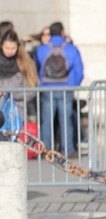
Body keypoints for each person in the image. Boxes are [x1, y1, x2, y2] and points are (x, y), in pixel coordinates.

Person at [35, 21, 84, 157]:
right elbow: (79, 71)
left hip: (47, 89)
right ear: (62, 32)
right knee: (66, 120)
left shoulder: (42, 49)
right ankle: (67, 149)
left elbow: (38, 68)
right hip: (65, 89)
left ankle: (46, 151)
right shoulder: (71, 49)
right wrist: (74, 85)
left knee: (47, 121)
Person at [0, 29, 39, 118]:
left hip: (17, 113)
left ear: (18, 47)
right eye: (7, 48)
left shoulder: (25, 63)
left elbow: (32, 89)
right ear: (1, 46)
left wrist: (11, 94)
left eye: (13, 48)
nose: (10, 51)